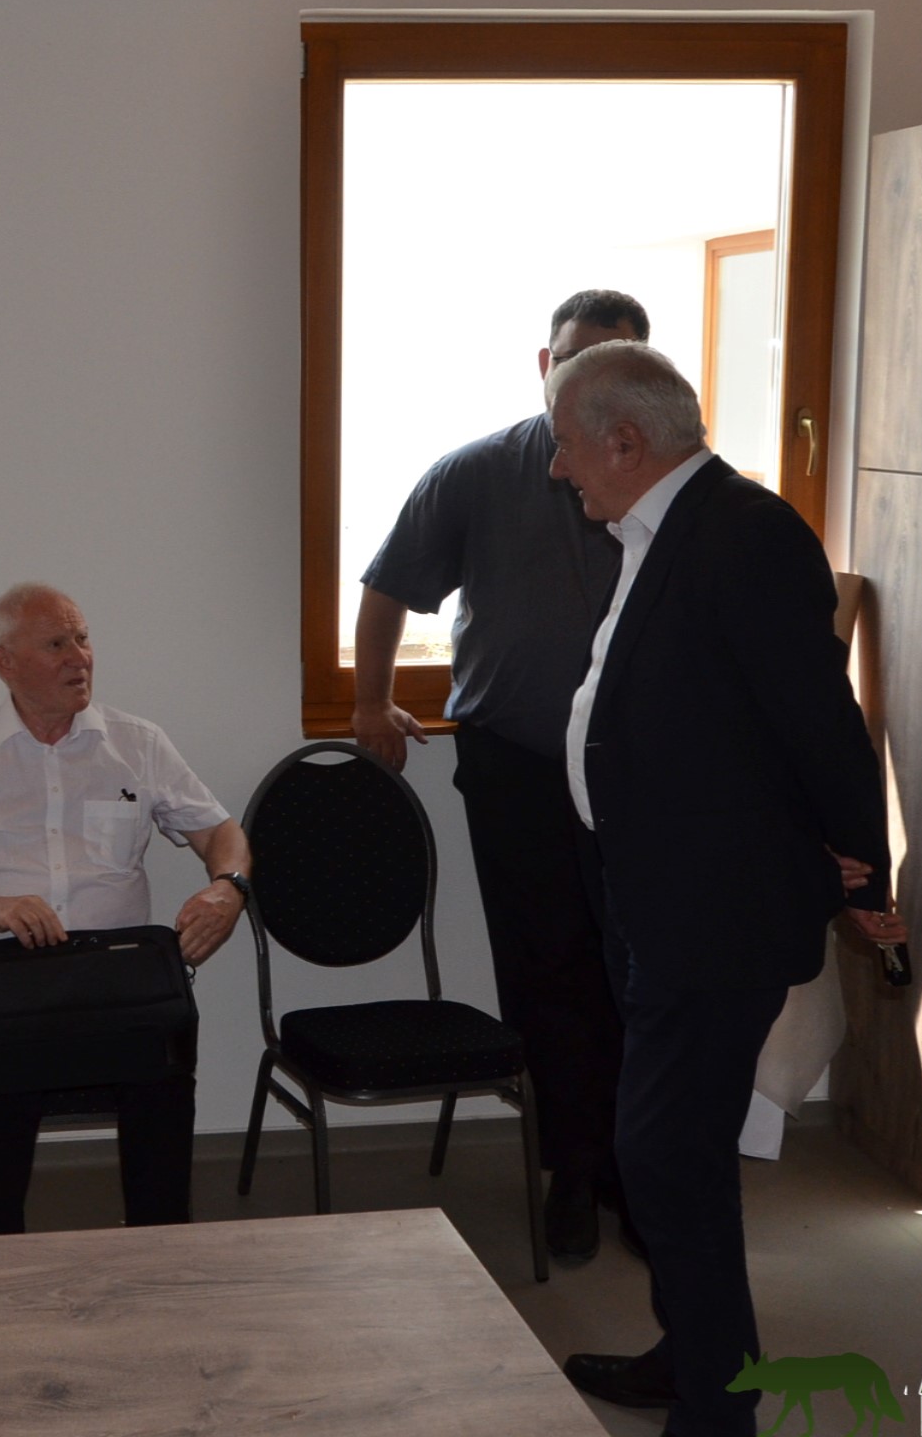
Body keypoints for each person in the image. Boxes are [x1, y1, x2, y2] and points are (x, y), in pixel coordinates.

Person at [543, 343, 906, 1437]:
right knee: (675, 1154)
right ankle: (695, 1358)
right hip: (654, 888)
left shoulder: (745, 533)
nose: (557, 469)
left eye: (565, 446)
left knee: (665, 1156)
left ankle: (718, 1408)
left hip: (716, 906)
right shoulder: (659, 530)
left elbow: (818, 718)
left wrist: (861, 864)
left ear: (625, 441)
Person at [351, 288, 644, 1263]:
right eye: (574, 357)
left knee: (636, 971)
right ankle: (569, 1171)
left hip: (640, 772)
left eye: (612, 360)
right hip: (517, 767)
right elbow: (389, 585)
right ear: (544, 364)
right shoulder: (475, 473)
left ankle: (635, 1171)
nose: (588, 375)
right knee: (546, 969)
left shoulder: (667, 479)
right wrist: (369, 701)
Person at [0, 583, 253, 1236]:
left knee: (164, 1060)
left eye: (82, 639)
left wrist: (228, 887)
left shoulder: (137, 743)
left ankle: (161, 1250)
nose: (79, 657)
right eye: (56, 644)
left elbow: (222, 832)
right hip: (4, 985)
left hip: (115, 981)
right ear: (5, 663)